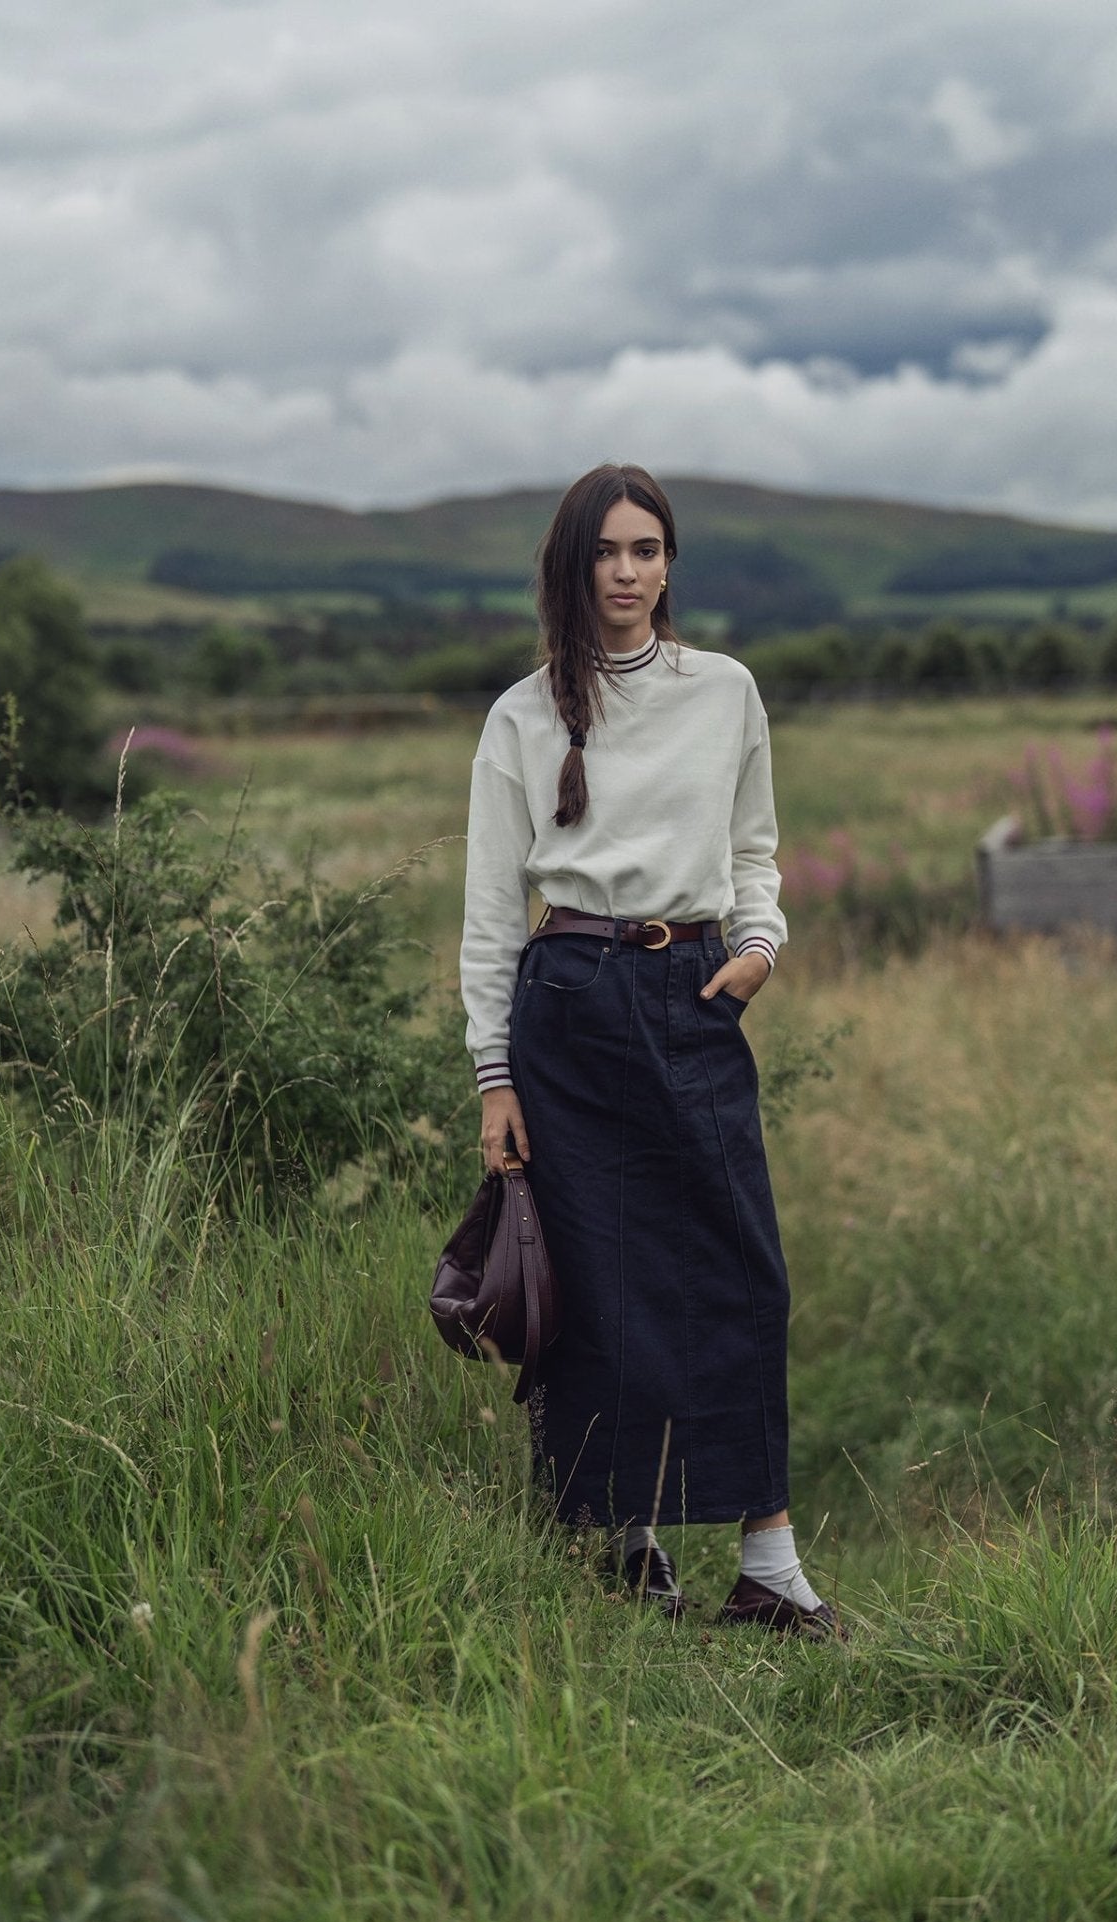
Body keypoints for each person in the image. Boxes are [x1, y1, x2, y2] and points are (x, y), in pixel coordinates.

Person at [459, 463, 838, 1636]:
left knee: (742, 1268)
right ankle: (627, 1543)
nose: (627, 572)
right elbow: (487, 915)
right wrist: (492, 1074)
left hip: (693, 984)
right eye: (606, 553)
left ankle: (769, 1566)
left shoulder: (724, 690)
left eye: (648, 549)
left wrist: (761, 945)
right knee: (596, 1276)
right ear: (572, 567)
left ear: (671, 563)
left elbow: (757, 845)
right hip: (566, 999)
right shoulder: (521, 715)